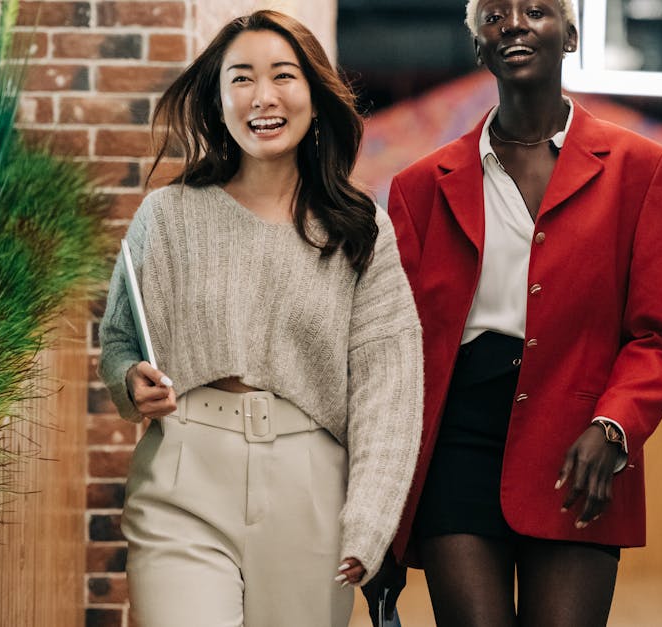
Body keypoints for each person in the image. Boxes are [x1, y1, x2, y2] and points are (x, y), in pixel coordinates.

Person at [97, 10, 423, 627]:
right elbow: (119, 339)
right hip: (183, 476)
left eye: (283, 76)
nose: (263, 96)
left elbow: (389, 394)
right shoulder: (167, 216)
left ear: (314, 95)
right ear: (218, 101)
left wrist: (371, 519)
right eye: (241, 78)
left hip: (312, 493)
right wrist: (130, 379)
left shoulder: (361, 230)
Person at [375, 1, 662, 625]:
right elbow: (394, 350)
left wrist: (613, 428)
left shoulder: (640, 169)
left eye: (537, 10)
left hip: (580, 446)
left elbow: (660, 339)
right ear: (479, 46)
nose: (515, 23)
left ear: (570, 36)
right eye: (495, 14)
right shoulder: (420, 186)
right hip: (456, 445)